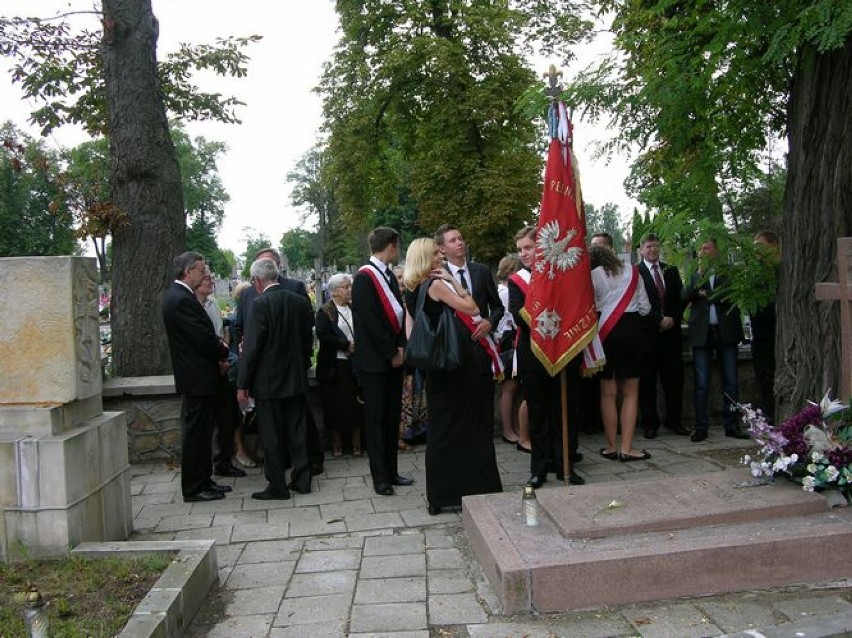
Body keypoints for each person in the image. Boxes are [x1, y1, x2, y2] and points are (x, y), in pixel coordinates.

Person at [403, 237, 502, 515]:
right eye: (435, 253)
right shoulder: (435, 284)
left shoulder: (413, 288)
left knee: (444, 429)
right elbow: (472, 308)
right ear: (425, 257)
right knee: (464, 427)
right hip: (455, 366)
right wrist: (455, 282)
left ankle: (441, 494)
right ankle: (467, 487)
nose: (440, 257)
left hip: (437, 368)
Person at [234, 246, 324, 475]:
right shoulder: (249, 296)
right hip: (271, 375)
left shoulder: (293, 290)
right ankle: (299, 476)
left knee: (285, 427)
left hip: (280, 374)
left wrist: (242, 382)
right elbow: (242, 331)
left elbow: (304, 333)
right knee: (288, 428)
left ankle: (280, 482)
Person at [508, 226, 585, 487]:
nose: (524, 254)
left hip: (563, 351)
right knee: (538, 412)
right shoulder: (516, 280)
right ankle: (538, 468)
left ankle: (566, 465)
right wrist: (547, 319)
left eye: (528, 248)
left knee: (565, 409)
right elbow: (518, 314)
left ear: (540, 248)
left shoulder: (562, 276)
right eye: (520, 250)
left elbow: (576, 306)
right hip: (533, 353)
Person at [162, 251, 230, 503]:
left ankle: (205, 479)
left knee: (202, 435)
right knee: (196, 435)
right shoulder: (180, 299)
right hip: (196, 377)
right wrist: (223, 349)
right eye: (201, 271)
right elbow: (201, 338)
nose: (205, 275)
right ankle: (194, 486)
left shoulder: (183, 297)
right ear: (187, 271)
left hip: (201, 376)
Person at [351, 226, 412, 496]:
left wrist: (401, 345)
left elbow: (398, 316)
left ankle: (392, 471)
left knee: (391, 417)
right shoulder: (365, 277)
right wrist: (392, 352)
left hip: (393, 358)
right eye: (397, 245)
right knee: (375, 421)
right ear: (390, 245)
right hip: (375, 362)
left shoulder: (387, 274)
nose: (398, 251)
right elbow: (370, 323)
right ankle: (380, 478)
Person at [434, 224, 504, 442]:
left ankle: (483, 440)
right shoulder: (438, 275)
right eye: (453, 240)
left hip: (481, 347)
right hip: (454, 347)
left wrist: (490, 322)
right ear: (442, 248)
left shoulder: (481, 271)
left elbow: (498, 306)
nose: (460, 243)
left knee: (483, 401)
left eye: (460, 238)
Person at [589, 245, 654, 461]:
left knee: (607, 392)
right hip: (632, 331)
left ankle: (610, 446)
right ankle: (627, 447)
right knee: (630, 392)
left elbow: (591, 306)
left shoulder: (592, 275)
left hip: (605, 333)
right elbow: (645, 307)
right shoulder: (633, 271)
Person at [682, 238, 749, 442]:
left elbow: (728, 295)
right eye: (700, 248)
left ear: (716, 251)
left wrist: (705, 295)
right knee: (701, 382)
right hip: (702, 333)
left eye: (706, 247)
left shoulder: (728, 272)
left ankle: (732, 424)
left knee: (730, 381)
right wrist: (699, 283)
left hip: (725, 331)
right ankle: (701, 426)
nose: (702, 251)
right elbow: (685, 296)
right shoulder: (695, 273)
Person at [636, 233, 689, 438]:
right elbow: (635, 304)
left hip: (671, 337)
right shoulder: (636, 273)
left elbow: (681, 299)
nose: (653, 250)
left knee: (674, 382)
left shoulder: (671, 271)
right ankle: (650, 423)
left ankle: (674, 421)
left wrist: (672, 318)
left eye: (656, 246)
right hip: (648, 337)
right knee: (647, 383)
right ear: (641, 250)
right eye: (649, 246)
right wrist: (657, 321)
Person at [195, 267, 246, 478]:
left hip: (223, 363)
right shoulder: (192, 306)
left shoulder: (213, 303)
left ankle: (224, 461)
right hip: (206, 370)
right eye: (207, 278)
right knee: (207, 422)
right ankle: (207, 467)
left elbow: (221, 334)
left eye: (212, 277)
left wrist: (224, 356)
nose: (211, 281)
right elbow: (201, 340)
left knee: (227, 417)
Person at [315, 273, 364, 458]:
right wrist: (346, 345)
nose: (349, 290)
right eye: (345, 286)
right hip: (335, 367)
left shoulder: (354, 308)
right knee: (335, 406)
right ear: (334, 291)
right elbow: (323, 335)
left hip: (354, 365)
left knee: (356, 405)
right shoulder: (325, 311)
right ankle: (337, 444)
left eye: (350, 286)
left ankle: (357, 443)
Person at [495, 254, 530, 451]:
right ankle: (508, 429)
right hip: (508, 342)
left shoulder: (504, 290)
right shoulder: (505, 292)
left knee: (516, 387)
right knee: (509, 388)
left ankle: (516, 427)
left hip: (511, 340)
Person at [751, 230, 780, 421]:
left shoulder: (780, 269)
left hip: (778, 332)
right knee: (763, 377)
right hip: (760, 333)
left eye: (760, 246)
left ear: (773, 246)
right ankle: (770, 414)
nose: (756, 251)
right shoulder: (755, 272)